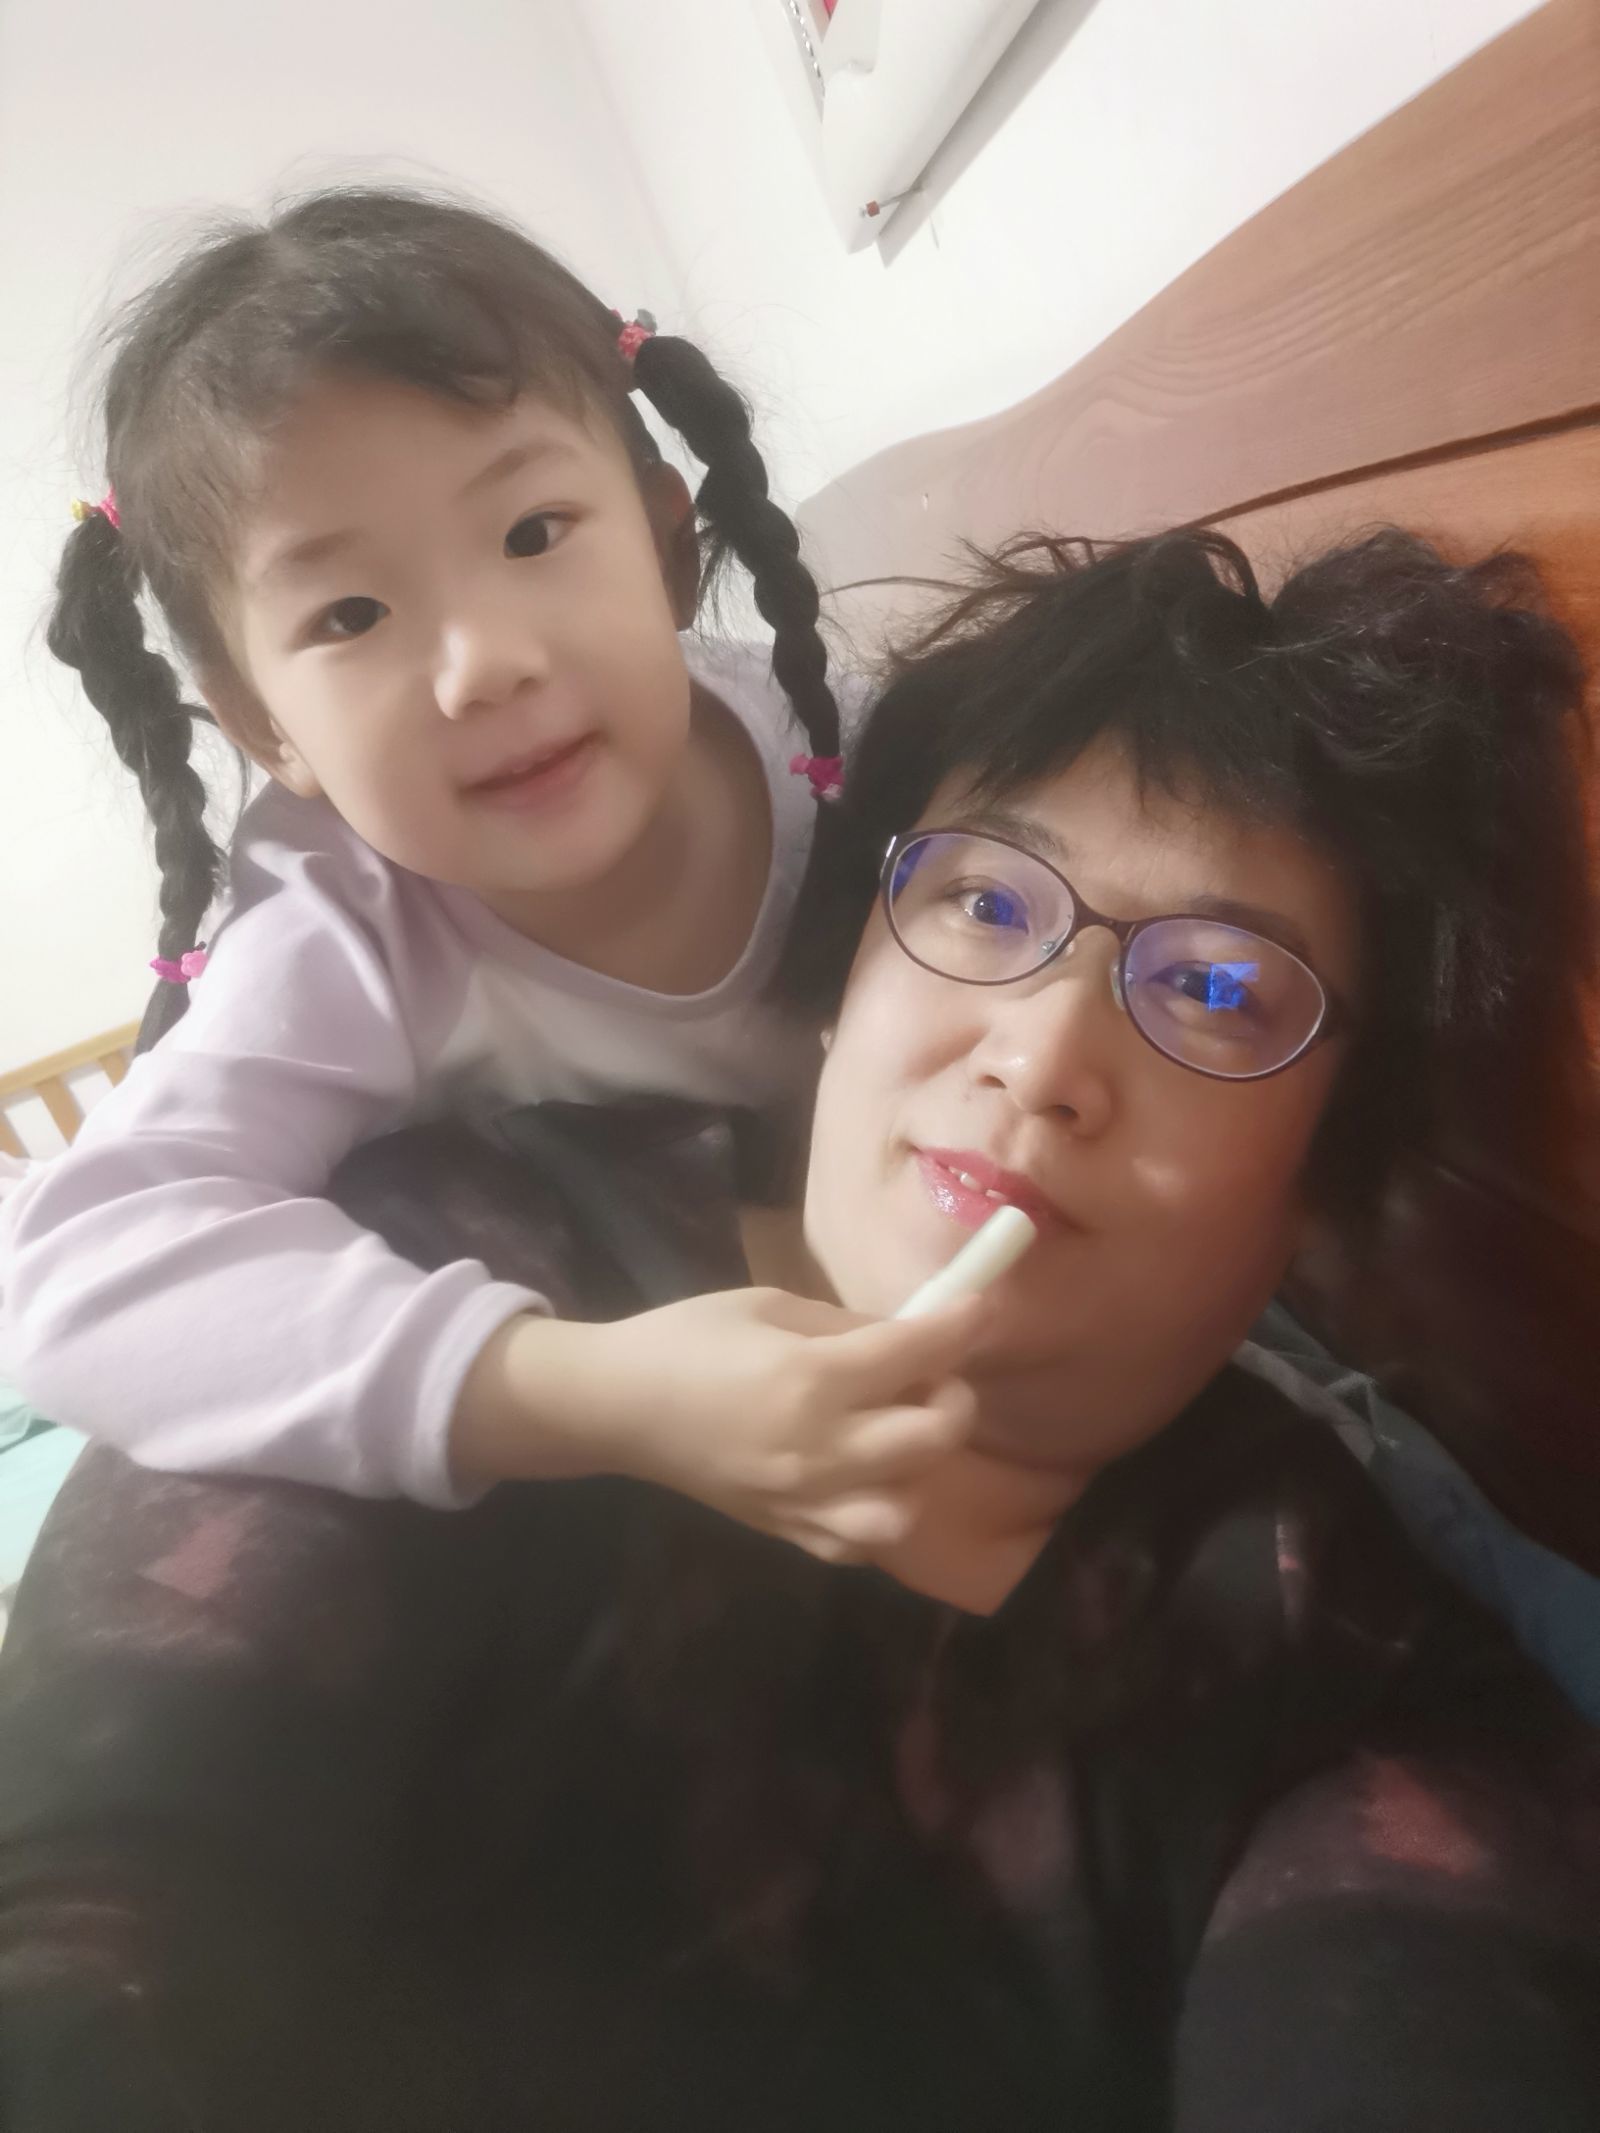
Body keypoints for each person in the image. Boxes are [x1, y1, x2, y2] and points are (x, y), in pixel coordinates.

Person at [1, 526, 1595, 2132]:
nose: (1043, 1056)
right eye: (984, 898)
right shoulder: (425, 1278)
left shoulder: (1351, 1675)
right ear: (841, 979)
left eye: (1221, 992)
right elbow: (85, 1915)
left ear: (1328, 1179)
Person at [0, 187, 979, 1557]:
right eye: (352, 613)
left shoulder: (870, 765)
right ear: (267, 726)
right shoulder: (348, 925)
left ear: (666, 544)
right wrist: (584, 1396)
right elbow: (73, 1269)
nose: (484, 664)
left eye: (531, 534)